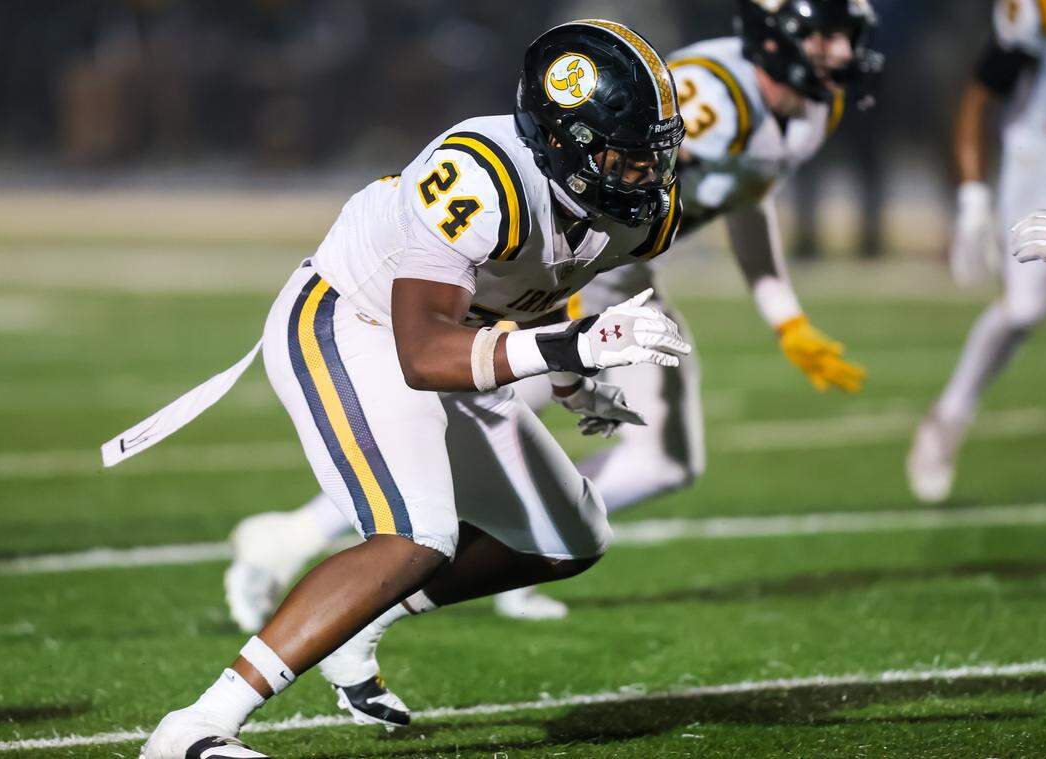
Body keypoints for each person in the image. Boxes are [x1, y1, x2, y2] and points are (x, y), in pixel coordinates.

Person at [113, 20, 694, 758]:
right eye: (625, 155)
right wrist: (573, 346)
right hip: (355, 320)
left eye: (655, 152)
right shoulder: (481, 177)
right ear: (562, 143)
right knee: (416, 534)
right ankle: (195, 726)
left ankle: (358, 623)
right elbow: (421, 353)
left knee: (570, 536)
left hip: (462, 339)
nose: (648, 174)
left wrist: (572, 379)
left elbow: (541, 281)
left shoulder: (641, 216)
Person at [225, 0, 881, 634]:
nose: (843, 52)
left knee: (542, 430)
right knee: (537, 423)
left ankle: (428, 544)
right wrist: (571, 328)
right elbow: (599, 193)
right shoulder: (712, 97)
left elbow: (746, 198)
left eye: (847, 36)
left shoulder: (813, 109)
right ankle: (465, 549)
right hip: (591, 274)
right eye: (826, 35)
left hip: (607, 272)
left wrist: (784, 315)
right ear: (777, 34)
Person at [907, 0, 1046, 503]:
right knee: (1025, 308)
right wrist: (973, 200)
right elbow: (981, 95)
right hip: (1041, 165)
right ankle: (949, 415)